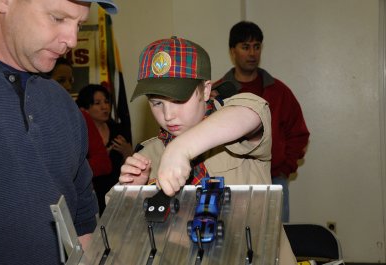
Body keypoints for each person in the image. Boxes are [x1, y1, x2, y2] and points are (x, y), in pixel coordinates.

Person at [119, 36, 297, 264]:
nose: (168, 115)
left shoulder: (234, 125)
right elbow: (127, 240)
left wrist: (179, 149)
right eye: (156, 103)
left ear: (205, 90)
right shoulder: (147, 155)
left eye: (179, 100)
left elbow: (252, 111)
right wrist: (132, 196)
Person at [0, 0, 118, 264]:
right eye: (57, 18)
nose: (72, 40)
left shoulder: (64, 105)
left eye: (79, 24)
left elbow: (82, 221)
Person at [212, 21, 310, 222]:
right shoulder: (217, 92)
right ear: (233, 51)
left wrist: (284, 168)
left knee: (275, 240)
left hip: (274, 179)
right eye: (245, 47)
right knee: (232, 238)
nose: (252, 53)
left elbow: (298, 133)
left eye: (257, 47)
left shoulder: (279, 91)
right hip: (231, 180)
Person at [77, 84, 133, 216]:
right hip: (92, 192)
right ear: (85, 108)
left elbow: (131, 169)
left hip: (117, 191)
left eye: (106, 102)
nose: (104, 107)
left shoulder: (119, 130)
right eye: (97, 103)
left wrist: (128, 153)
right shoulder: (81, 133)